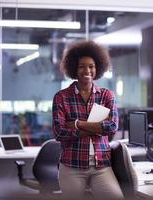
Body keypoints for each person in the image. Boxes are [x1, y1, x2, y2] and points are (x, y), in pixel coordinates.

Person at [52, 40, 124, 200]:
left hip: (102, 165)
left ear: (97, 68)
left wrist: (78, 124)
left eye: (91, 66)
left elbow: (112, 127)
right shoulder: (62, 97)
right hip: (72, 165)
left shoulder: (106, 95)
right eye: (82, 66)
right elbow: (59, 132)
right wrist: (96, 128)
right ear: (74, 69)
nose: (87, 70)